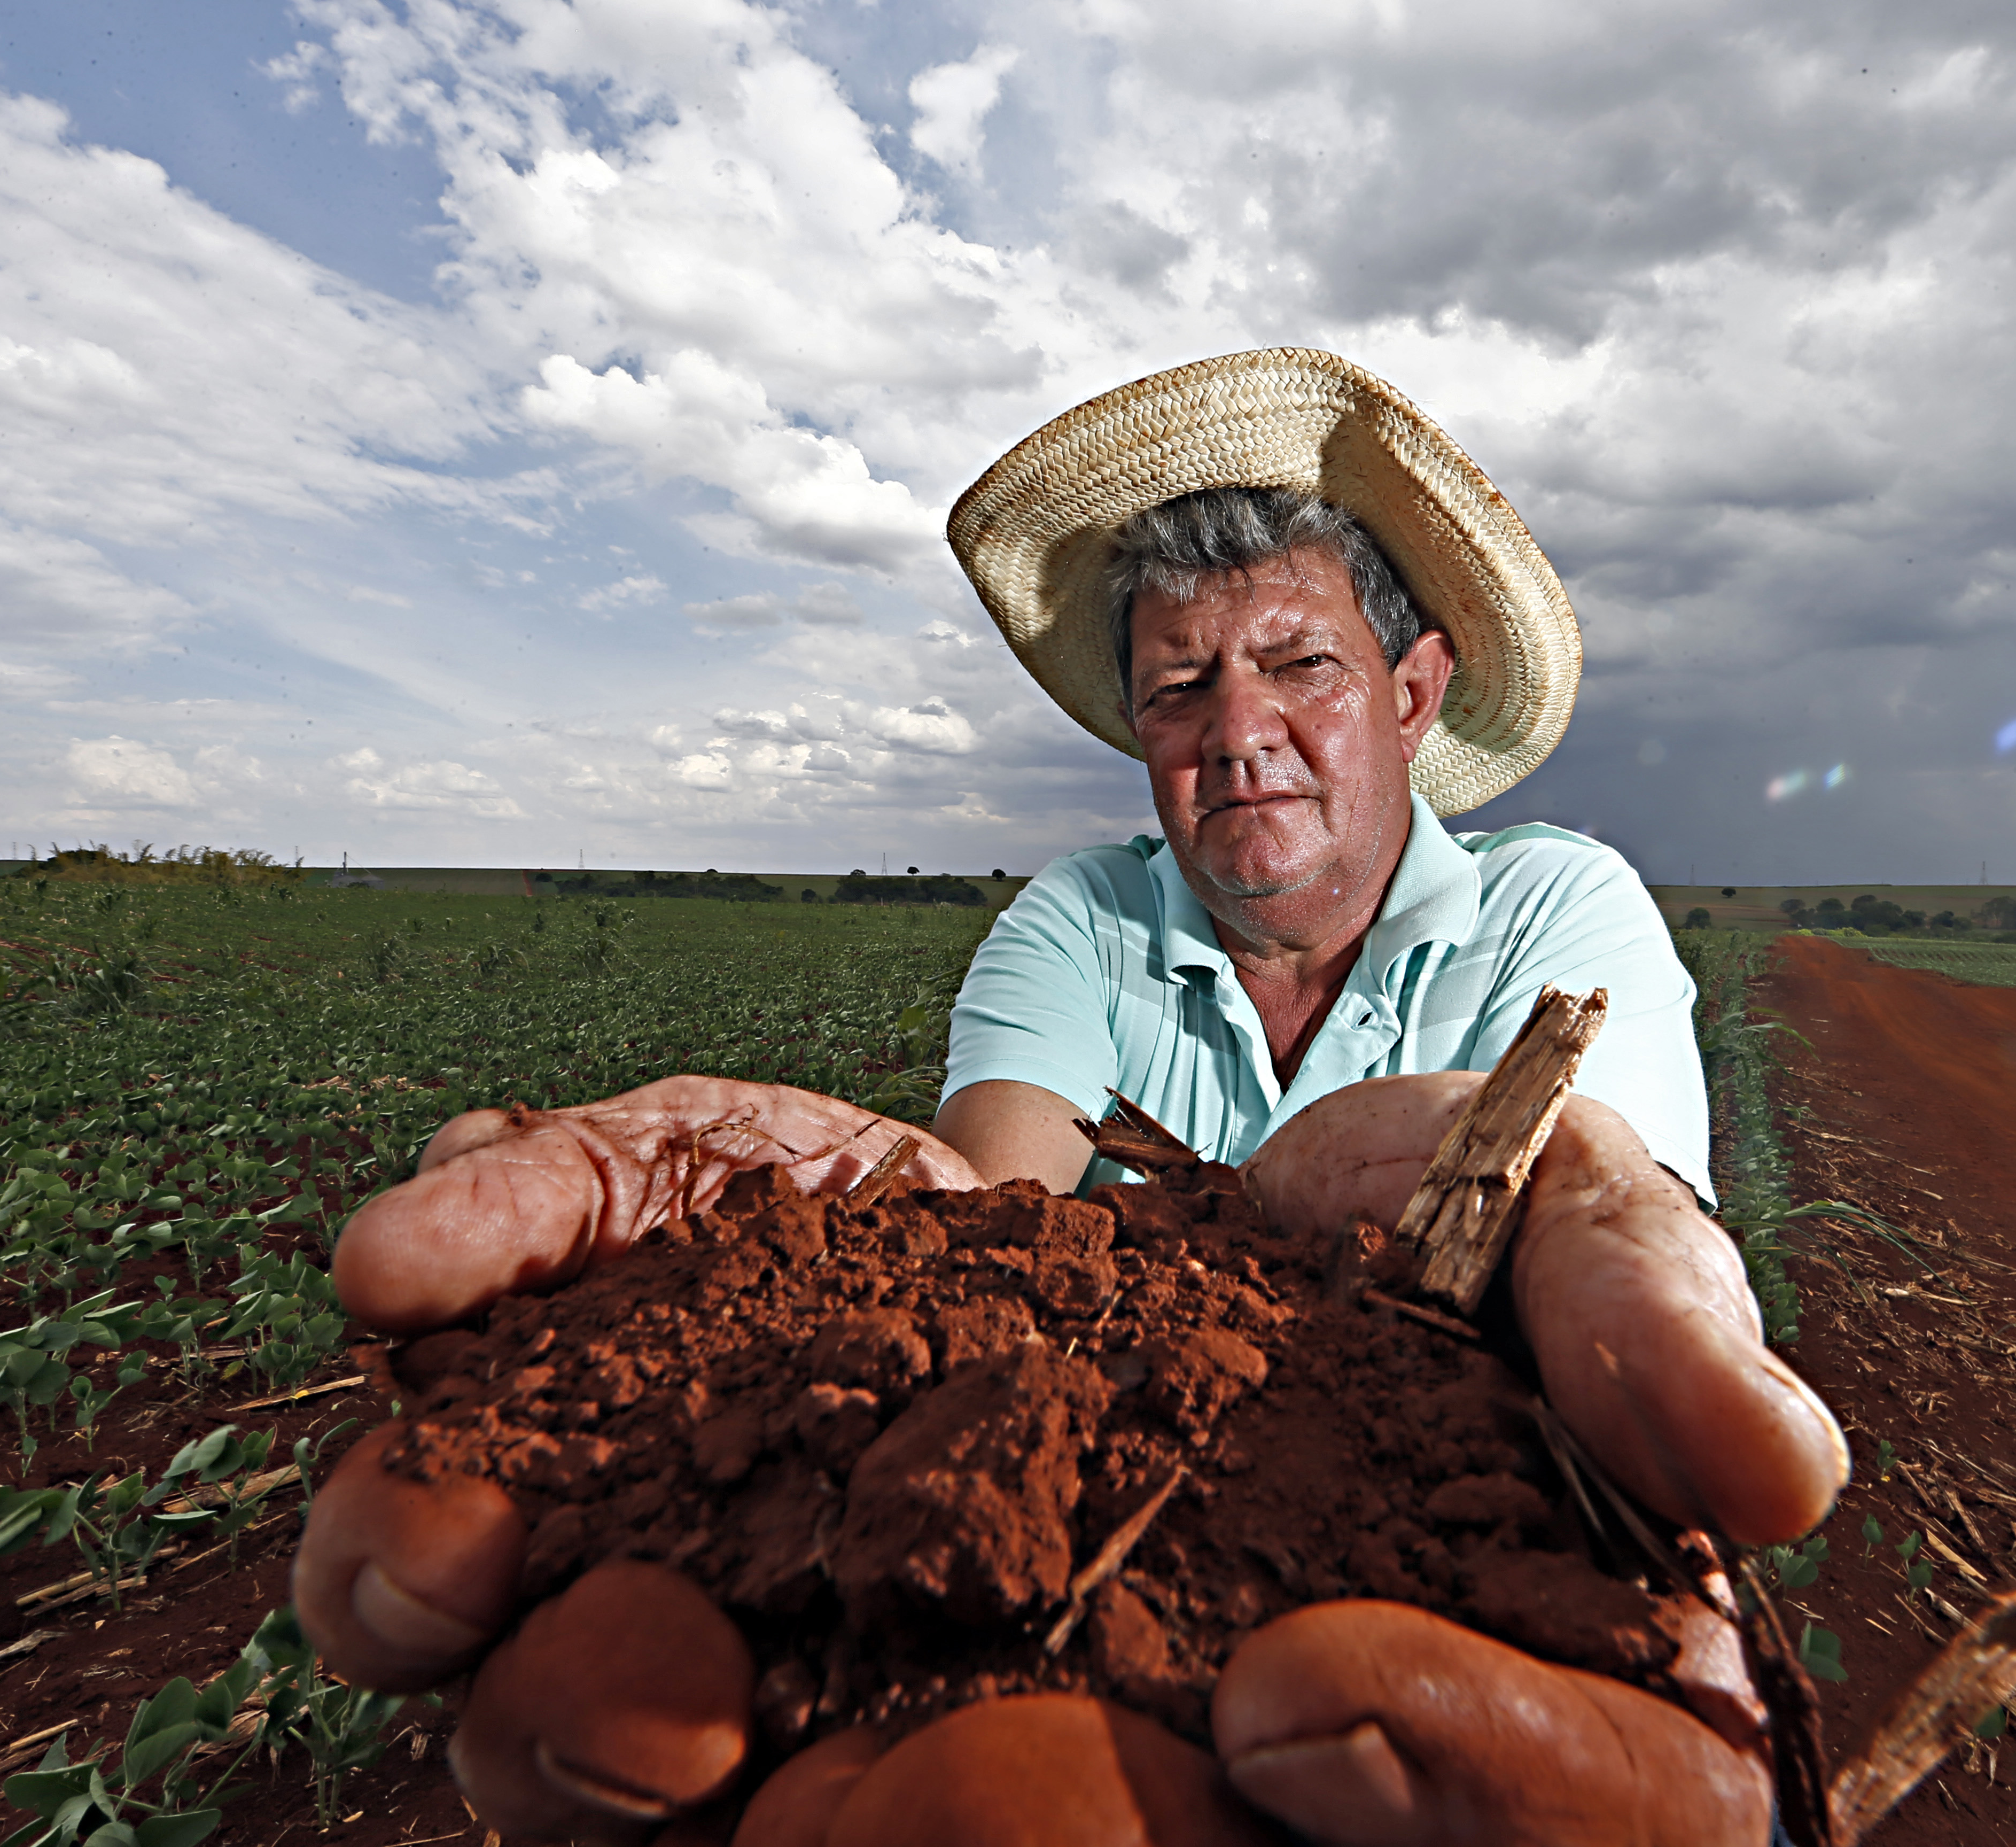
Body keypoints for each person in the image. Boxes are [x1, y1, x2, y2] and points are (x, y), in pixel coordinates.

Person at [293, 350, 1848, 1844]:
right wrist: (814, 1304)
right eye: (1180, 687)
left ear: (1413, 689)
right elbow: (987, 1213)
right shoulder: (1080, 921)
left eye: (1300, 664)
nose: (1237, 734)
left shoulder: (1559, 906)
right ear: (1143, 732)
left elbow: (1604, 1200)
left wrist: (1572, 1199)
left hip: (1465, 1578)